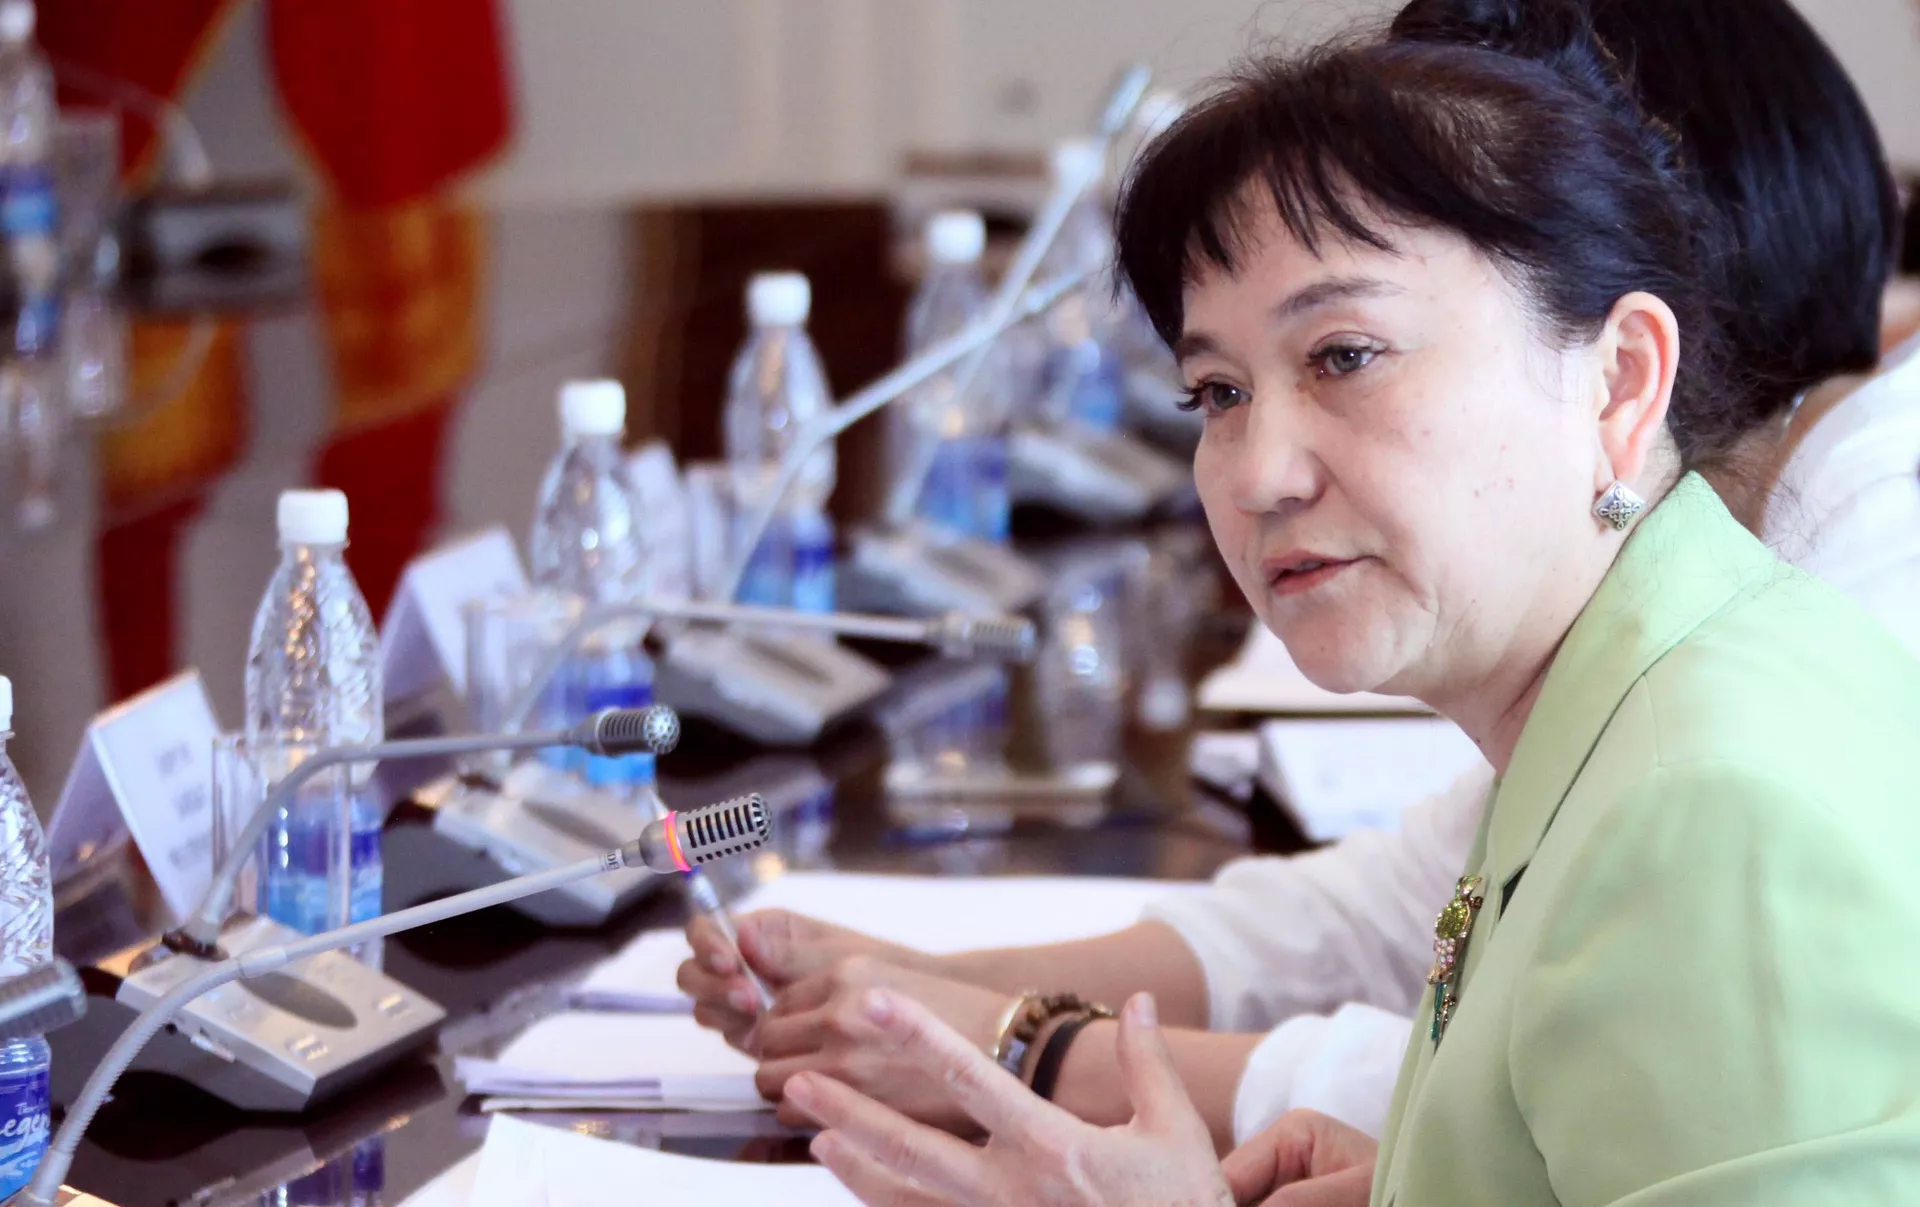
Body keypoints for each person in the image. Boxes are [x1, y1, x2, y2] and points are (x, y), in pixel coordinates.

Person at [679, 0, 1920, 1152]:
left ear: (1622, 372)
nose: (1259, 474)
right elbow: (1442, 962)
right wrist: (941, 990)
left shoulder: (1715, 787)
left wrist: (1037, 1057)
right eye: (1217, 391)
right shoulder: (1600, 681)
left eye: (1345, 355)